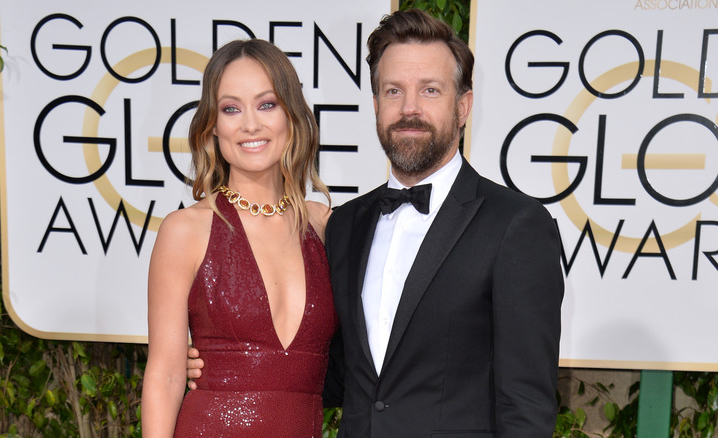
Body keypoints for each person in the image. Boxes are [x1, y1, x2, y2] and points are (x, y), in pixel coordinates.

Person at [189, 9, 563, 437]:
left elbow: (527, 407)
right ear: (376, 104)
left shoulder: (515, 226)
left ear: (463, 106)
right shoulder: (344, 225)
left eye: (430, 90)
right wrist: (229, 362)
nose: (409, 108)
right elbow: (331, 374)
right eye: (393, 91)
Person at [142, 38, 337, 437]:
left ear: (291, 113)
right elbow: (163, 377)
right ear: (213, 124)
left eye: (267, 104)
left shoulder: (326, 227)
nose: (250, 124)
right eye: (231, 108)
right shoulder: (186, 230)